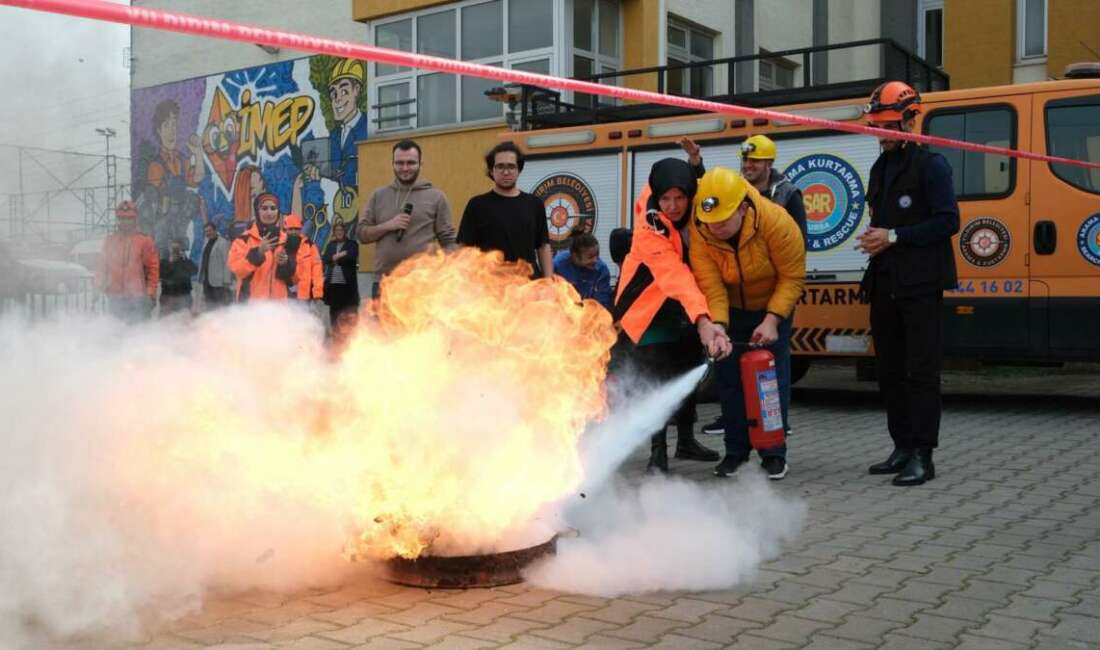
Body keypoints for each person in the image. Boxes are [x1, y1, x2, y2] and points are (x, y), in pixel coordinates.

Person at [857, 81, 960, 487]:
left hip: (920, 285)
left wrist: (895, 238)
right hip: (885, 283)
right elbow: (883, 220)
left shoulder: (932, 166)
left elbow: (947, 220)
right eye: (877, 125)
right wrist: (873, 236)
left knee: (920, 372)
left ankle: (923, 454)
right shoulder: (880, 168)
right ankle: (901, 446)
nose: (881, 133)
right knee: (890, 370)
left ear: (909, 119)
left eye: (887, 125)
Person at [613, 152, 731, 473]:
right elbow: (673, 274)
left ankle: (686, 441)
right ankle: (657, 451)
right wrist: (703, 319)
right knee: (657, 375)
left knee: (688, 368)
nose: (673, 206)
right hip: (650, 305)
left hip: (688, 304)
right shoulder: (648, 225)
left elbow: (709, 193)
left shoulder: (696, 208)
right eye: (666, 198)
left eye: (680, 198)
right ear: (656, 195)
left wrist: (697, 165)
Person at [689, 167, 805, 480]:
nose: (716, 229)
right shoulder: (701, 227)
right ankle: (736, 453)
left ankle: (773, 454)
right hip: (731, 309)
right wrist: (719, 327)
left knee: (771, 380)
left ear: (743, 208)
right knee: (729, 381)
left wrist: (772, 320)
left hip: (771, 307)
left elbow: (792, 277)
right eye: (710, 222)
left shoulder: (777, 222)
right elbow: (710, 283)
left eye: (723, 221)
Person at [702, 134, 808, 437]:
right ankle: (733, 423)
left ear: (769, 163)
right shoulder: (735, 193)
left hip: (774, 299)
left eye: (755, 161)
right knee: (730, 371)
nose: (748, 165)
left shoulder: (788, 195)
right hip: (735, 301)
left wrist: (775, 314)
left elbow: (796, 252)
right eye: (745, 160)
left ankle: (776, 428)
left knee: (775, 370)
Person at [358, 140, 457, 297]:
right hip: (384, 283)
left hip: (422, 284)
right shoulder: (378, 195)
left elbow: (449, 241)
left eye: (410, 163)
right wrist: (388, 225)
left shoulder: (436, 197)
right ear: (393, 164)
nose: (405, 168)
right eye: (400, 163)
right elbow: (361, 234)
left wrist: (446, 274)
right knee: (379, 323)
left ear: (420, 163)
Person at [458, 141, 553, 279]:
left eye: (511, 167)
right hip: (491, 287)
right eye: (500, 167)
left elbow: (543, 247)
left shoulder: (534, 204)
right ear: (491, 171)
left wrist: (549, 282)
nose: (506, 172)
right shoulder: (477, 205)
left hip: (529, 287)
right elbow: (464, 249)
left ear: (519, 170)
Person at [97, 200, 159, 323]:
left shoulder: (144, 241)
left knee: (137, 334)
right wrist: (97, 286)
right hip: (115, 297)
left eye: (129, 218)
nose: (125, 222)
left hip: (137, 297)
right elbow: (102, 266)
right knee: (116, 332)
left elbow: (152, 268)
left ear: (135, 219)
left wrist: (150, 293)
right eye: (122, 218)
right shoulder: (110, 241)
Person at [228, 193, 295, 301]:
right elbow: (237, 269)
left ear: (278, 212)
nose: (269, 213)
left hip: (280, 308)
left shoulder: (288, 240)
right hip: (251, 306)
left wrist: (286, 263)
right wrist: (258, 253)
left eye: (273, 208)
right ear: (257, 211)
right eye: (264, 208)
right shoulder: (244, 239)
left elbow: (298, 277)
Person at [553, 228, 612, 310]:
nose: (595, 260)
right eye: (590, 257)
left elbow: (603, 302)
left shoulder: (601, 270)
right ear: (575, 256)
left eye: (597, 255)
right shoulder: (558, 265)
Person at [322, 221, 360, 328]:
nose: (339, 232)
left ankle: (349, 341)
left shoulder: (352, 244)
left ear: (345, 231)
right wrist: (343, 254)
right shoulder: (331, 245)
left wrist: (336, 257)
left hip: (347, 287)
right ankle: (336, 340)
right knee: (334, 316)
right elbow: (325, 259)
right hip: (333, 287)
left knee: (349, 316)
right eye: (337, 230)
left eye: (341, 230)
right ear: (334, 232)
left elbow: (352, 256)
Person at [284, 214, 324, 303]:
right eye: (291, 229)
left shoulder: (310, 246)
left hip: (304, 296)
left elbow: (317, 269)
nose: (294, 232)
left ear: (301, 229)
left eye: (297, 229)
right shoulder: (280, 245)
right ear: (285, 230)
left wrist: (317, 292)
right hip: (284, 296)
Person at [199, 221, 233, 309]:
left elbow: (227, 262)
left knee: (220, 306)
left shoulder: (223, 243)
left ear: (215, 230)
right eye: (206, 231)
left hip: (219, 283)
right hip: (206, 281)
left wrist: (227, 280)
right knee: (209, 305)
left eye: (210, 231)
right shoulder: (206, 242)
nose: (208, 233)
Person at [159, 237, 197, 315]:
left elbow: (194, 271)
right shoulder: (164, 261)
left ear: (181, 249)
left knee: (184, 321)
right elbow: (161, 274)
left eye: (177, 249)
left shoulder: (185, 260)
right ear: (169, 249)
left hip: (184, 296)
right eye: (173, 248)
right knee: (165, 322)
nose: (175, 251)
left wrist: (185, 259)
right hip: (168, 296)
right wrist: (171, 262)